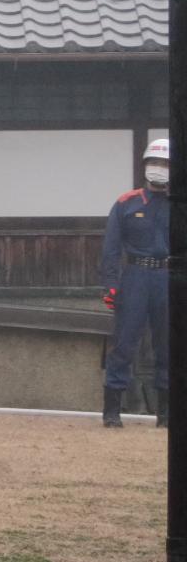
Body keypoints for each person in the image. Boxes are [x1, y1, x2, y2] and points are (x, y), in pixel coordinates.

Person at [101, 137, 171, 429]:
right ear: (145, 166)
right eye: (154, 162)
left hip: (168, 277)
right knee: (125, 342)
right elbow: (111, 247)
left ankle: (166, 413)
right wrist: (110, 284)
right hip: (134, 278)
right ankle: (112, 411)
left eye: (166, 164)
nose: (159, 168)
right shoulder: (126, 202)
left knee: (168, 345)